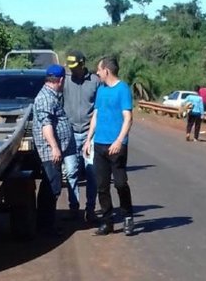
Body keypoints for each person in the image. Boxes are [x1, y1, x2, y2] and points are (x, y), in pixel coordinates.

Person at [83, 56, 135, 236]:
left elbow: (128, 118)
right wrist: (88, 139)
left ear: (107, 70)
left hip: (117, 146)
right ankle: (107, 221)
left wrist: (119, 140)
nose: (97, 73)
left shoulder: (123, 89)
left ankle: (128, 216)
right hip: (99, 144)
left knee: (120, 183)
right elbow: (95, 115)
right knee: (102, 186)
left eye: (99, 70)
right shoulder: (101, 90)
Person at [32, 64, 77, 234]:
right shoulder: (45, 98)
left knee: (52, 186)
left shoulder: (52, 95)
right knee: (52, 187)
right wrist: (55, 148)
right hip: (50, 152)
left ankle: (47, 224)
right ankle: (45, 227)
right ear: (61, 80)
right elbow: (46, 126)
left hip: (55, 150)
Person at [62, 50, 100, 224]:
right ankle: (74, 207)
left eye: (76, 66)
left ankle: (90, 209)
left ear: (83, 64)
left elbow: (99, 109)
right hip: (69, 133)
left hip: (89, 134)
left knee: (92, 173)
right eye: (71, 67)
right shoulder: (66, 81)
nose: (73, 70)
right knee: (71, 172)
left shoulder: (95, 82)